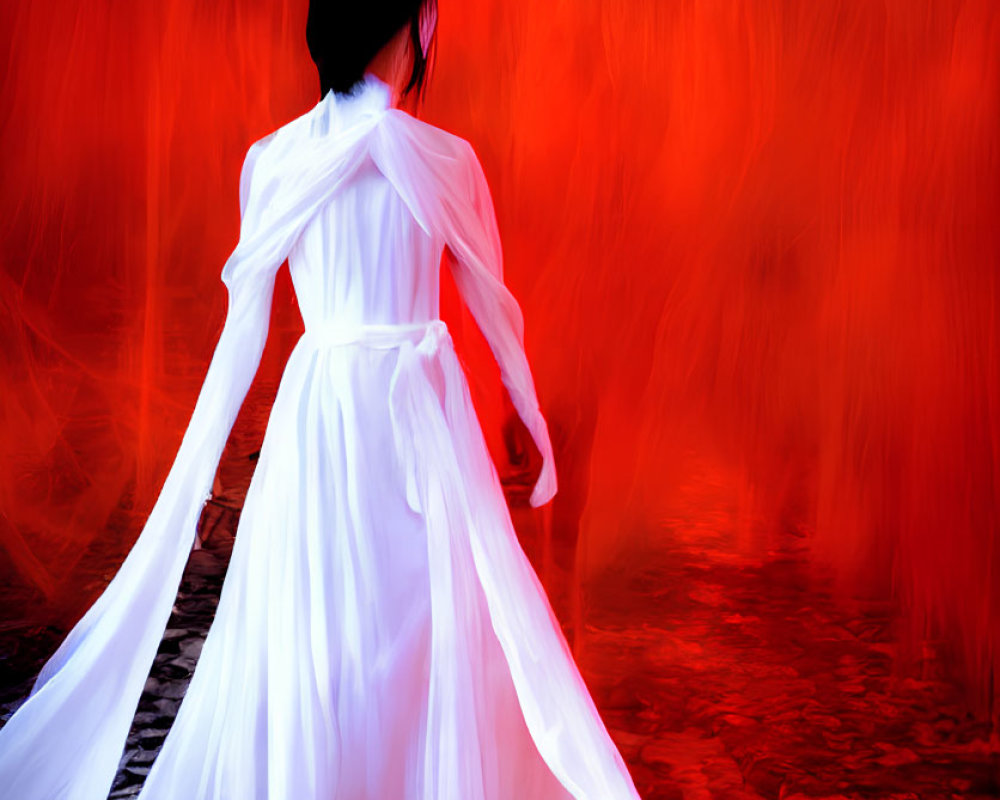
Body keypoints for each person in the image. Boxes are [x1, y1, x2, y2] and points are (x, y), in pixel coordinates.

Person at [0, 2, 641, 798]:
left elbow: (247, 330)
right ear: (416, 25)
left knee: (316, 617)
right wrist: (527, 414)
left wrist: (196, 460)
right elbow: (492, 304)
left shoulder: (271, 159)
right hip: (423, 417)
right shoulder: (448, 159)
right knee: (431, 619)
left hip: (322, 413)